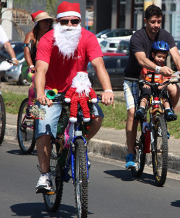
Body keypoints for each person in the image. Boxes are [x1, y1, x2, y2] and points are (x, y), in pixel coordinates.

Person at [34, 1, 114, 193]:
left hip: (80, 90)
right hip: (51, 92)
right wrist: (39, 94)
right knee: (40, 123)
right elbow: (40, 69)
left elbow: (99, 65)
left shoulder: (88, 37)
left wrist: (108, 89)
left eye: (74, 21)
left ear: (80, 22)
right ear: (57, 22)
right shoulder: (47, 39)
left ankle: (78, 148)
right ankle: (44, 175)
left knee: (97, 117)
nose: (70, 26)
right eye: (64, 22)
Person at [123, 4, 180, 169]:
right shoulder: (137, 37)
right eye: (152, 21)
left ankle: (163, 120)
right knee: (133, 112)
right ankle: (130, 153)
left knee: (174, 89)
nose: (156, 25)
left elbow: (176, 56)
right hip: (134, 78)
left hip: (158, 78)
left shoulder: (165, 35)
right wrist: (159, 68)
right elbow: (141, 60)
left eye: (159, 21)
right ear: (145, 21)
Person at [134, 41, 176, 122]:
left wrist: (164, 85)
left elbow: (166, 79)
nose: (161, 59)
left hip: (159, 87)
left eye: (163, 57)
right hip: (149, 85)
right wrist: (145, 82)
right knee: (145, 94)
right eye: (159, 56)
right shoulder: (148, 66)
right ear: (153, 55)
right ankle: (141, 109)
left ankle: (168, 110)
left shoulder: (165, 68)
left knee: (164, 96)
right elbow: (142, 76)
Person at [22, 10, 53, 117]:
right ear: (38, 23)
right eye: (43, 21)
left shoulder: (53, 35)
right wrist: (31, 66)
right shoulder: (31, 35)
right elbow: (26, 52)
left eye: (48, 21)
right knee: (35, 80)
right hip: (29, 66)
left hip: (45, 67)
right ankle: (30, 107)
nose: (47, 24)